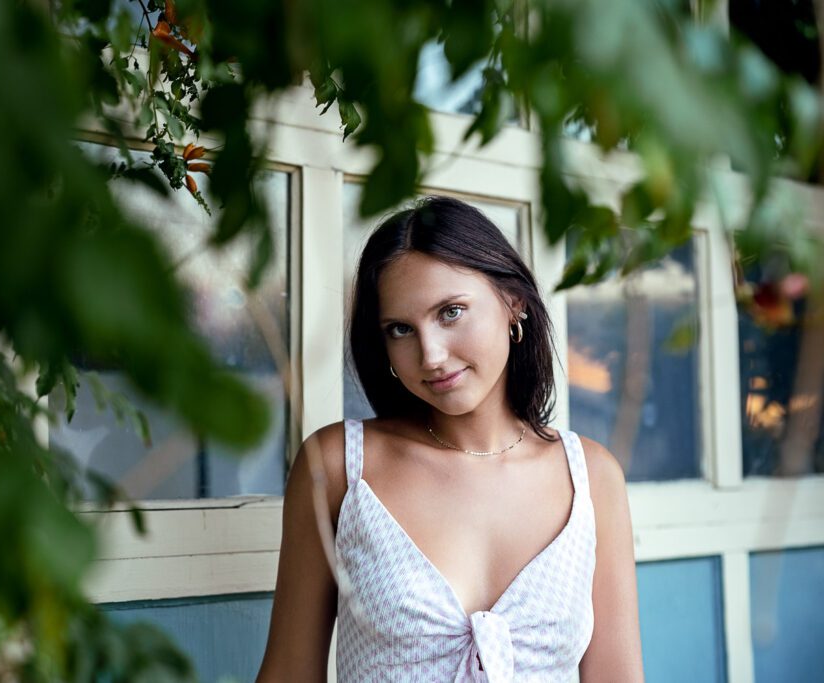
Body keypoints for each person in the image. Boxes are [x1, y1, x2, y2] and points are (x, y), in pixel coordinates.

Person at [257, 196, 643, 682]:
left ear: (513, 302)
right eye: (400, 329)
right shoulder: (338, 467)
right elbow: (289, 674)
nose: (431, 355)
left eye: (451, 312)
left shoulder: (590, 478)